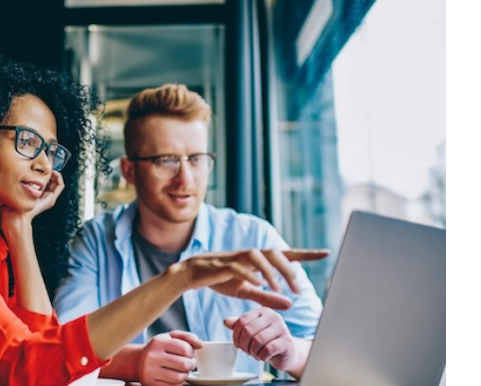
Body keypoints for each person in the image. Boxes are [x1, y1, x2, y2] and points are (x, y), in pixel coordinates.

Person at [0, 51, 326, 386]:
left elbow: (39, 350)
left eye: (53, 151)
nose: (43, 163)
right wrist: (182, 278)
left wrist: (20, 229)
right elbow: (23, 366)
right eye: (27, 142)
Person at [53, 84, 325, 385]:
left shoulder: (253, 237)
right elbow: (60, 350)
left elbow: (330, 350)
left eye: (196, 159)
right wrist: (133, 362)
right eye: (165, 160)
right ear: (129, 171)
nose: (185, 179)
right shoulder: (96, 240)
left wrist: (291, 353)